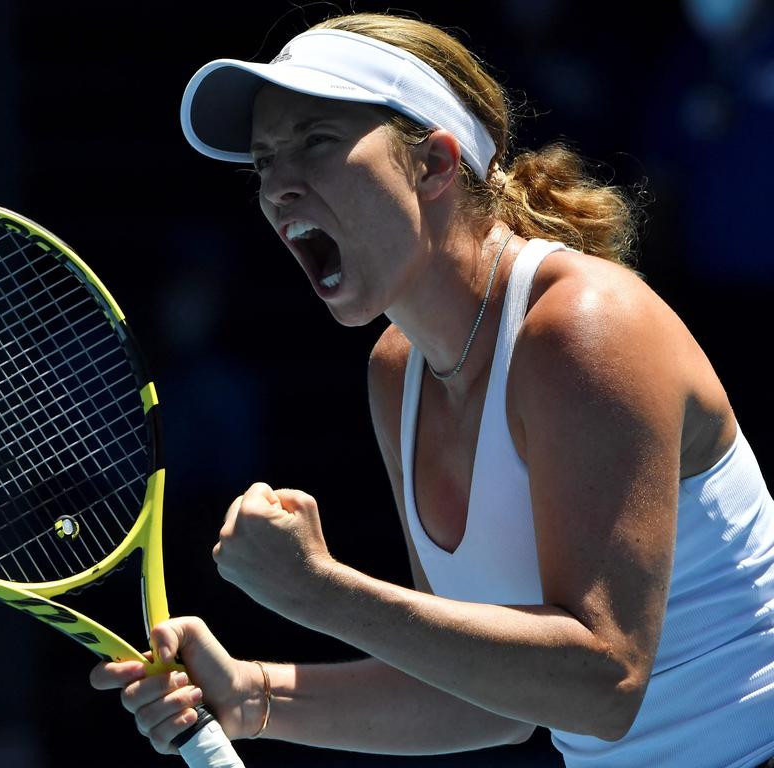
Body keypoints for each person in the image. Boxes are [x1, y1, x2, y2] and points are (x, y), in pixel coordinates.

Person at [90, 12, 774, 767]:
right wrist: (255, 696)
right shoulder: (397, 370)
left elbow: (604, 683)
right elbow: (480, 696)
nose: (279, 187)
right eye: (264, 163)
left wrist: (322, 591)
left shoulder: (584, 329)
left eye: (315, 143)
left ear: (435, 165)